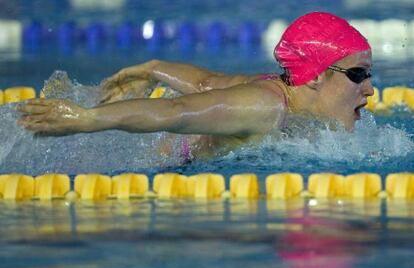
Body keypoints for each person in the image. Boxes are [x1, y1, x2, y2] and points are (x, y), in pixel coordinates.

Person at [17, 12, 374, 160]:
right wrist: (87, 119)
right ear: (314, 76)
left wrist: (154, 69)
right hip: (164, 164)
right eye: (358, 74)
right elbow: (177, 111)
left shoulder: (276, 88)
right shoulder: (264, 106)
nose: (370, 89)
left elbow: (207, 82)